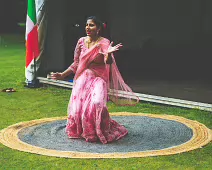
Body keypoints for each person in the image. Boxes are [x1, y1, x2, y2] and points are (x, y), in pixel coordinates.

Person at [51, 16, 139, 144]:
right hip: (82, 80)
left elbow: (107, 62)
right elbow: (76, 63)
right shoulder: (81, 41)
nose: (88, 27)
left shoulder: (104, 43)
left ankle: (99, 129)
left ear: (98, 29)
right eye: (86, 25)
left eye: (91, 25)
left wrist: (108, 54)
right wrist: (62, 75)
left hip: (98, 79)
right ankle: (85, 131)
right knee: (76, 110)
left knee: (97, 103)